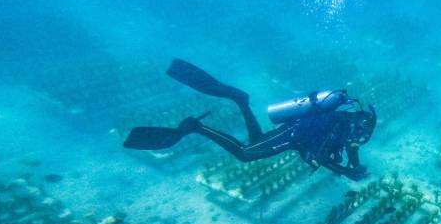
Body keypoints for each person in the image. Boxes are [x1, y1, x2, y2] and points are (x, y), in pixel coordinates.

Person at [123, 59, 376, 181]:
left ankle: (240, 100)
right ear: (357, 123)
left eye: (362, 137)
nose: (358, 140)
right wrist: (347, 171)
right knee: (246, 153)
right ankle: (197, 127)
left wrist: (354, 165)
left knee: (255, 141)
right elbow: (321, 156)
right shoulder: (338, 126)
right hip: (292, 133)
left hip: (296, 137)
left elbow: (351, 149)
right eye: (359, 135)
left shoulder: (351, 129)